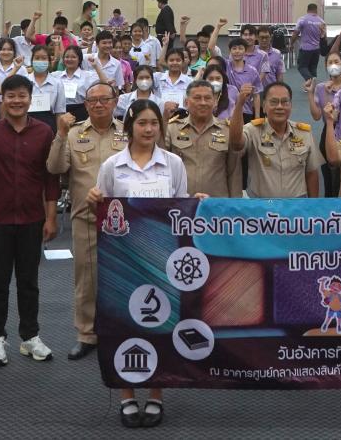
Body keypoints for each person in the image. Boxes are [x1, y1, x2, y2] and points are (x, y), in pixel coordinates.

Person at [89, 99, 197, 427]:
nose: (149, 129)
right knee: (123, 326)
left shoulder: (173, 163)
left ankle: (155, 394)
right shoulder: (112, 166)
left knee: (160, 326)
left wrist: (198, 204)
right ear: (130, 127)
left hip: (161, 259)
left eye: (154, 124)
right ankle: (126, 396)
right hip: (122, 259)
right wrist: (94, 200)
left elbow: (180, 208)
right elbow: (104, 212)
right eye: (142, 123)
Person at [0, 75, 60, 367]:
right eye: (11, 96)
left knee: (29, 281)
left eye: (22, 95)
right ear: (2, 99)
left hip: (32, 216)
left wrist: (51, 216)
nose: (17, 101)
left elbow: (50, 178)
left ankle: (30, 336)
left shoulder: (44, 132)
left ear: (30, 99)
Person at [46, 81, 128, 360]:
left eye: (104, 99)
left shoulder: (129, 132)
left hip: (126, 218)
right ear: (85, 104)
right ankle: (87, 334)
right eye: (92, 100)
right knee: (87, 279)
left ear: (115, 102)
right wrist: (60, 134)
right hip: (86, 216)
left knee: (124, 276)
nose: (99, 104)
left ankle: (122, 330)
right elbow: (55, 168)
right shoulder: (73, 133)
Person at [232, 82, 322, 198]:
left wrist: (312, 205)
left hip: (296, 205)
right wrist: (239, 105)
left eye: (285, 102)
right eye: (274, 102)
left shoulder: (304, 133)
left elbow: (311, 173)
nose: (279, 106)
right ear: (264, 106)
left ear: (291, 106)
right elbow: (236, 143)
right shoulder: (253, 131)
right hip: (262, 205)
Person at [165, 78, 240, 197]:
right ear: (186, 102)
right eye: (197, 98)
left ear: (215, 102)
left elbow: (234, 172)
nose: (203, 103)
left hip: (216, 203)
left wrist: (235, 203)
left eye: (207, 98)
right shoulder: (172, 129)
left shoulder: (227, 130)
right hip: (181, 202)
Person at [294, 3, 326, 78]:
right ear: (316, 10)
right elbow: (324, 36)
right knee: (313, 68)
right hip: (316, 49)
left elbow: (295, 33)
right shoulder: (322, 21)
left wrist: (291, 43)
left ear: (307, 10)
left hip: (305, 49)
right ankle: (313, 83)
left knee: (302, 67)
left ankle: (310, 80)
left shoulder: (302, 19)